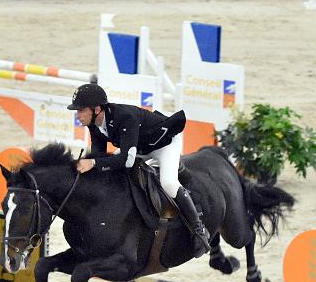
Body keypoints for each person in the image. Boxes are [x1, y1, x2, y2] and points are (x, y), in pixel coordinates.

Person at [68, 83, 211, 257]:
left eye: (81, 110)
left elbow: (126, 161)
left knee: (168, 183)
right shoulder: (94, 124)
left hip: (164, 145)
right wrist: (87, 165)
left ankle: (199, 231)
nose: (78, 115)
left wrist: (94, 164)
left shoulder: (125, 117)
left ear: (97, 109)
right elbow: (100, 156)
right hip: (139, 147)